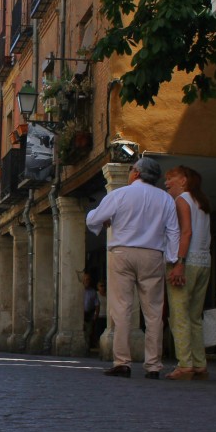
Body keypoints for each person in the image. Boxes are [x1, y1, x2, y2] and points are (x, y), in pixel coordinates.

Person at [86, 156, 179, 379]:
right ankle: (153, 365)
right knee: (154, 312)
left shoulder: (120, 194)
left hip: (122, 253)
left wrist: (103, 221)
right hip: (152, 254)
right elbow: (173, 231)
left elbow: (94, 218)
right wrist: (173, 259)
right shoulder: (166, 199)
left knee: (121, 308)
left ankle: (122, 362)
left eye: (130, 170)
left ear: (136, 172)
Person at [163, 166, 212, 381]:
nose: (166, 183)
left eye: (170, 178)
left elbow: (186, 232)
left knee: (179, 315)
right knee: (194, 316)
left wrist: (179, 263)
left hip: (187, 261)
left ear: (183, 180)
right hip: (204, 261)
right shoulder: (202, 202)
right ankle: (200, 364)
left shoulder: (182, 200)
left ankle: (185, 364)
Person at [82, 272, 100, 351]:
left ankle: (86, 348)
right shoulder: (79, 290)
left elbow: (97, 305)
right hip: (79, 315)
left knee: (89, 332)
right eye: (85, 279)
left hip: (89, 315)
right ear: (82, 280)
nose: (87, 281)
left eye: (88, 279)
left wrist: (96, 315)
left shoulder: (93, 292)